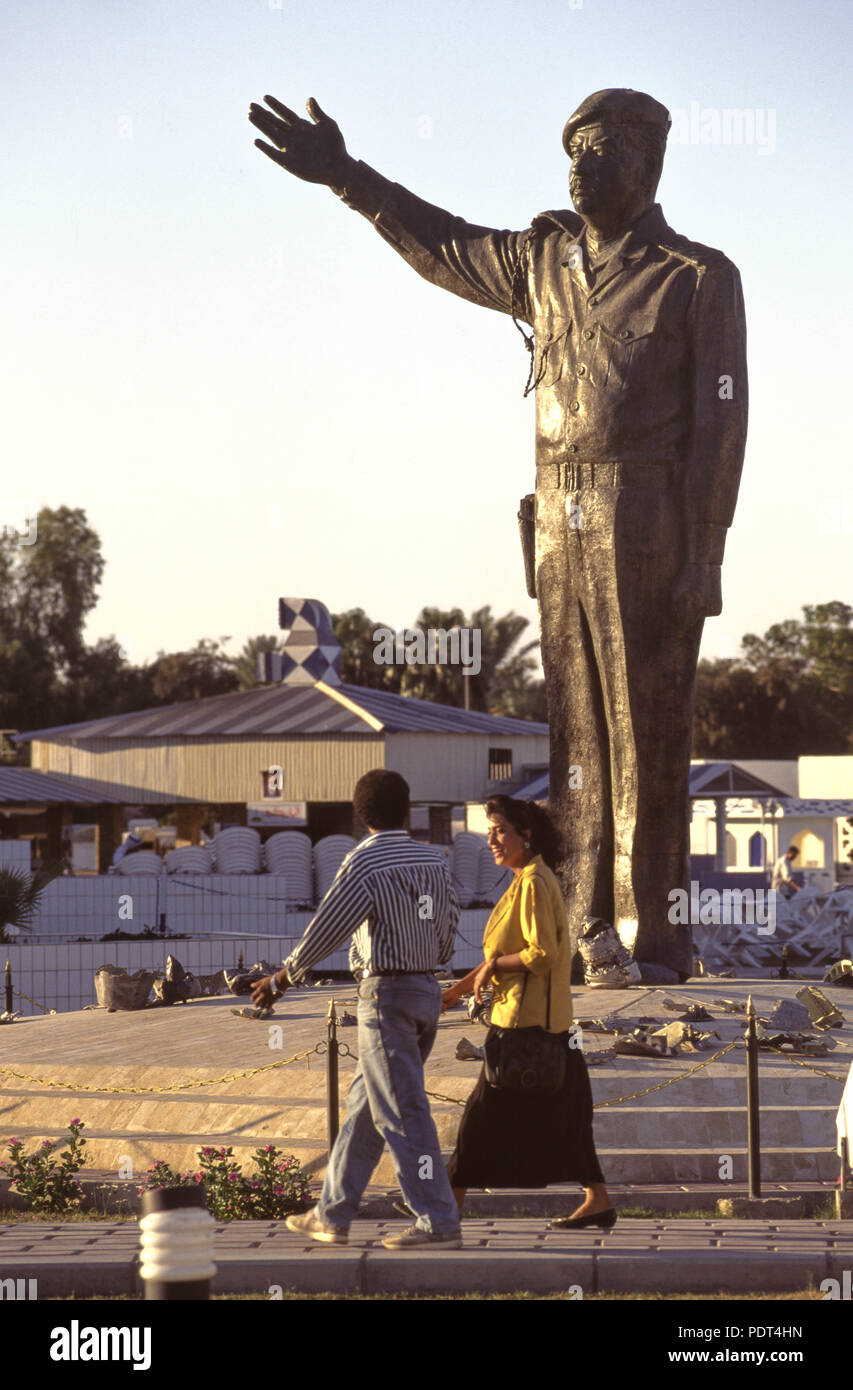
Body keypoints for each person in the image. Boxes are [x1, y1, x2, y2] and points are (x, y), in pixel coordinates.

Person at [247, 88, 748, 978]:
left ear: (648, 162)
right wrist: (346, 178)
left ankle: (650, 934)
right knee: (578, 739)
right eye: (572, 153)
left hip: (649, 515)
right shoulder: (542, 261)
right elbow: (441, 245)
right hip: (558, 513)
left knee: (647, 730)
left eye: (598, 151)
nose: (577, 167)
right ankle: (579, 924)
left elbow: (723, 424)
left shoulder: (697, 277)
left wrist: (704, 552)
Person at [251, 769, 463, 1249]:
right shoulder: (434, 861)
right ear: (407, 810)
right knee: (366, 1108)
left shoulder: (363, 863)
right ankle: (332, 1213)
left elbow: (327, 927)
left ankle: (438, 1220)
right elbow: (449, 929)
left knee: (403, 1112)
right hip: (426, 991)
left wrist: (282, 978)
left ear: (359, 813)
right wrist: (429, 962)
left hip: (385, 998)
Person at [440, 795, 614, 1230]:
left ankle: (446, 1206)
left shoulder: (534, 882)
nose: (492, 839)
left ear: (527, 835)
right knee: (570, 1117)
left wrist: (493, 968)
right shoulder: (523, 879)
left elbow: (541, 954)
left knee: (479, 1117)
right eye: (491, 830)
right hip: (542, 1025)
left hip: (525, 1026)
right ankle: (598, 1200)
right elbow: (500, 957)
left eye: (500, 830)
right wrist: (455, 992)